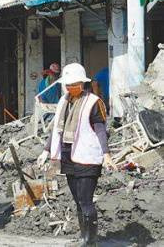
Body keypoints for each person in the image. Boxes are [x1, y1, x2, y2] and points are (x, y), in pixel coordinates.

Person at [37, 63, 115, 247]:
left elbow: (100, 130)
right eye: (69, 85)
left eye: (75, 84)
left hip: (88, 158)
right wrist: (45, 151)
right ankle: (83, 237)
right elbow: (56, 129)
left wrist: (106, 154)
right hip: (68, 156)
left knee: (86, 200)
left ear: (83, 83)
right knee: (78, 201)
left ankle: (91, 241)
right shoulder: (63, 102)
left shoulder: (93, 102)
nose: (71, 87)